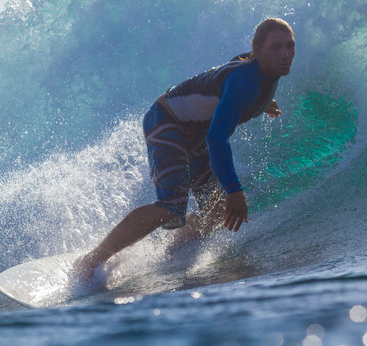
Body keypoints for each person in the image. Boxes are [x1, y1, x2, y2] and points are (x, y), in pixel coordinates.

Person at [74, 17, 296, 279]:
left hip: (195, 133)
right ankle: (92, 259)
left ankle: (172, 249)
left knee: (215, 211)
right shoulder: (244, 84)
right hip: (168, 121)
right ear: (258, 50)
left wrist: (261, 102)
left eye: (290, 46)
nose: (285, 54)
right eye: (276, 47)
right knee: (171, 206)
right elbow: (217, 138)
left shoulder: (261, 71)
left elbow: (238, 62)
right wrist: (234, 189)